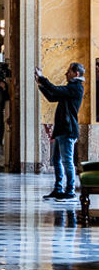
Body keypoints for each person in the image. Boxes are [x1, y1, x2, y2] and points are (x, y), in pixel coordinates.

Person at [35, 61, 85, 199]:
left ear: (76, 73)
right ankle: (58, 188)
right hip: (61, 129)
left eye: (68, 71)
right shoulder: (70, 88)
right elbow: (52, 97)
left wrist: (42, 78)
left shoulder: (76, 88)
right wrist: (40, 85)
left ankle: (70, 191)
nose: (65, 73)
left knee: (67, 161)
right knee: (56, 159)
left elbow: (56, 90)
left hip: (68, 130)